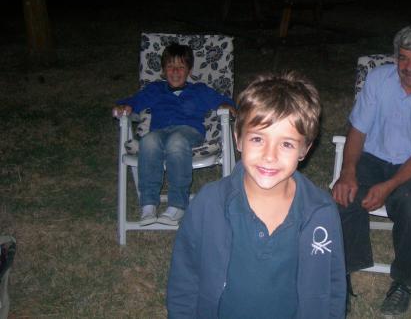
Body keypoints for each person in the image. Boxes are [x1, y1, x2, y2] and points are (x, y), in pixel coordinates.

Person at [167, 72, 346, 319]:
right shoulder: (209, 204)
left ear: (305, 149)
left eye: (286, 144)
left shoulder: (321, 212)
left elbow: (333, 286)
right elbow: (184, 278)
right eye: (258, 139)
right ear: (238, 138)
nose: (270, 156)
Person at [332, 25, 411, 317]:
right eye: (404, 58)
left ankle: (403, 281)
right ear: (395, 58)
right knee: (344, 195)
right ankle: (343, 275)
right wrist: (348, 171)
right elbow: (358, 129)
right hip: (373, 157)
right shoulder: (378, 80)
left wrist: (388, 186)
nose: (410, 67)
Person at [113, 43, 235, 226]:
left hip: (188, 132)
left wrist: (227, 106)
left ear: (189, 71)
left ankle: (177, 205)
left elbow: (224, 101)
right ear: (163, 70)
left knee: (176, 141)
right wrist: (125, 106)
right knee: (148, 141)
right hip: (160, 132)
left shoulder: (199, 90)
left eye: (181, 67)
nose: (176, 71)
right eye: (170, 66)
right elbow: (134, 101)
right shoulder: (155, 89)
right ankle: (148, 205)